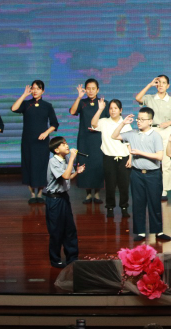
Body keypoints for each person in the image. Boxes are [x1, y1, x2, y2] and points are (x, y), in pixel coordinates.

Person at [113, 107, 171, 242]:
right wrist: (123, 123)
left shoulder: (156, 136)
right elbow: (114, 136)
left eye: (142, 119)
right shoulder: (132, 134)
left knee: (154, 203)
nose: (139, 121)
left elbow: (159, 156)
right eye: (138, 119)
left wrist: (140, 153)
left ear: (150, 121)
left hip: (153, 174)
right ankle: (140, 232)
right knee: (138, 203)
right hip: (137, 174)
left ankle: (158, 231)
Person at [135, 75, 171, 201]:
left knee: (166, 162)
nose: (160, 85)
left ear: (168, 85)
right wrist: (149, 85)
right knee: (150, 161)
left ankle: (164, 190)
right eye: (158, 82)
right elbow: (138, 98)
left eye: (163, 83)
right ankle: (150, 187)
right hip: (152, 131)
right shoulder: (150, 98)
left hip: (166, 131)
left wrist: (169, 122)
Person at [11, 81, 59, 203]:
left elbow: (54, 124)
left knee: (41, 166)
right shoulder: (26, 104)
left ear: (43, 91)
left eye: (38, 88)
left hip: (42, 142)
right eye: (33, 88)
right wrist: (24, 95)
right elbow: (14, 108)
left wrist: (46, 133)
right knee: (29, 165)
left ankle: (40, 193)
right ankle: (32, 194)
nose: (35, 91)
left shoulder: (47, 106)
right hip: (28, 141)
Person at [44, 136, 85, 268]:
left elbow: (69, 176)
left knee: (70, 229)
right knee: (56, 231)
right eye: (63, 144)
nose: (67, 146)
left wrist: (77, 172)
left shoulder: (66, 158)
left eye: (66, 143)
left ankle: (72, 258)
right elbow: (65, 176)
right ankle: (55, 260)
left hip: (64, 198)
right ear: (56, 150)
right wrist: (72, 158)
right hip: (54, 200)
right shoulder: (53, 161)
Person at [91, 98, 132, 218]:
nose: (113, 110)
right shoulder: (104, 122)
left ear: (120, 110)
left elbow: (130, 143)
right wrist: (100, 109)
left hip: (124, 158)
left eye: (115, 108)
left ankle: (124, 207)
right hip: (109, 158)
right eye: (111, 108)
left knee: (124, 185)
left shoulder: (126, 123)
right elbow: (93, 124)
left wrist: (131, 158)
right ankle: (110, 207)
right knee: (110, 185)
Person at [70, 79, 107, 204]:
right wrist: (79, 97)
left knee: (98, 164)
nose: (91, 91)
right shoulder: (82, 102)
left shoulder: (103, 103)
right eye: (88, 88)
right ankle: (87, 194)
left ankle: (96, 193)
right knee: (85, 163)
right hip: (84, 138)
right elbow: (72, 112)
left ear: (98, 90)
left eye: (93, 88)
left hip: (99, 138)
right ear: (85, 89)